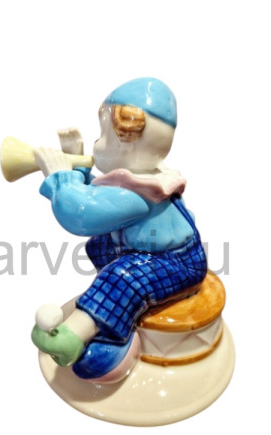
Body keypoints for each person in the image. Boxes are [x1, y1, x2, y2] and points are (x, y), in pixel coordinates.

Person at [31, 77, 207, 382]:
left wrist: (61, 177)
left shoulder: (140, 194)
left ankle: (85, 338)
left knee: (123, 275)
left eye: (103, 135)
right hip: (158, 253)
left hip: (179, 264)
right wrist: (78, 169)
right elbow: (98, 199)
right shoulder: (141, 178)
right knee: (102, 247)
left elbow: (82, 214)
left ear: (129, 142)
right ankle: (101, 311)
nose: (97, 143)